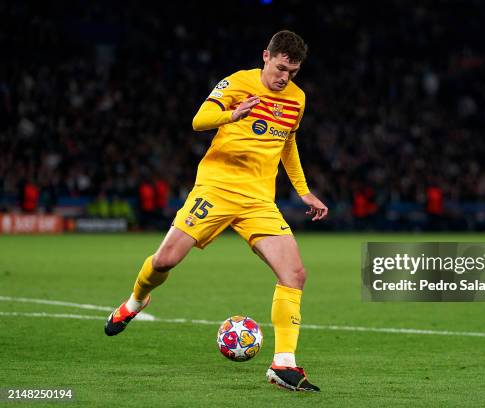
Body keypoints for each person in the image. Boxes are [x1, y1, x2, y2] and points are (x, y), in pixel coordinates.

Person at [104, 30, 328, 392]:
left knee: (295, 273)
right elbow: (198, 120)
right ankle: (135, 301)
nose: (285, 77)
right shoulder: (237, 83)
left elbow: (288, 143)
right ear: (266, 57)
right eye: (282, 67)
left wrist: (303, 191)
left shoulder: (297, 99)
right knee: (164, 262)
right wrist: (231, 114)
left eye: (294, 71)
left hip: (258, 200)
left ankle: (283, 364)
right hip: (216, 188)